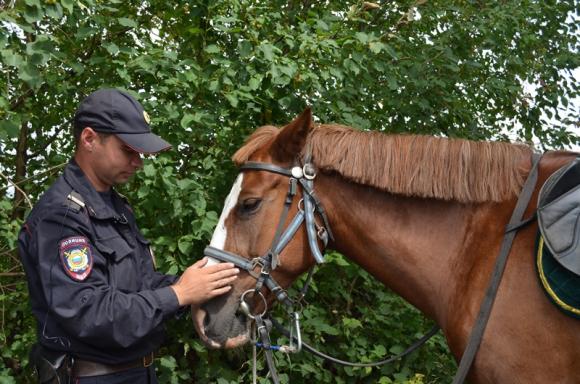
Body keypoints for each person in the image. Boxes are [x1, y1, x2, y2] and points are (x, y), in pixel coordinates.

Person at [18, 88, 239, 383]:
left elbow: (140, 286)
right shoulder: (61, 217)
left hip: (138, 373)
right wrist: (179, 294)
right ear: (89, 139)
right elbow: (89, 313)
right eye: (128, 150)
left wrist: (195, 293)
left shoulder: (115, 208)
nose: (138, 162)